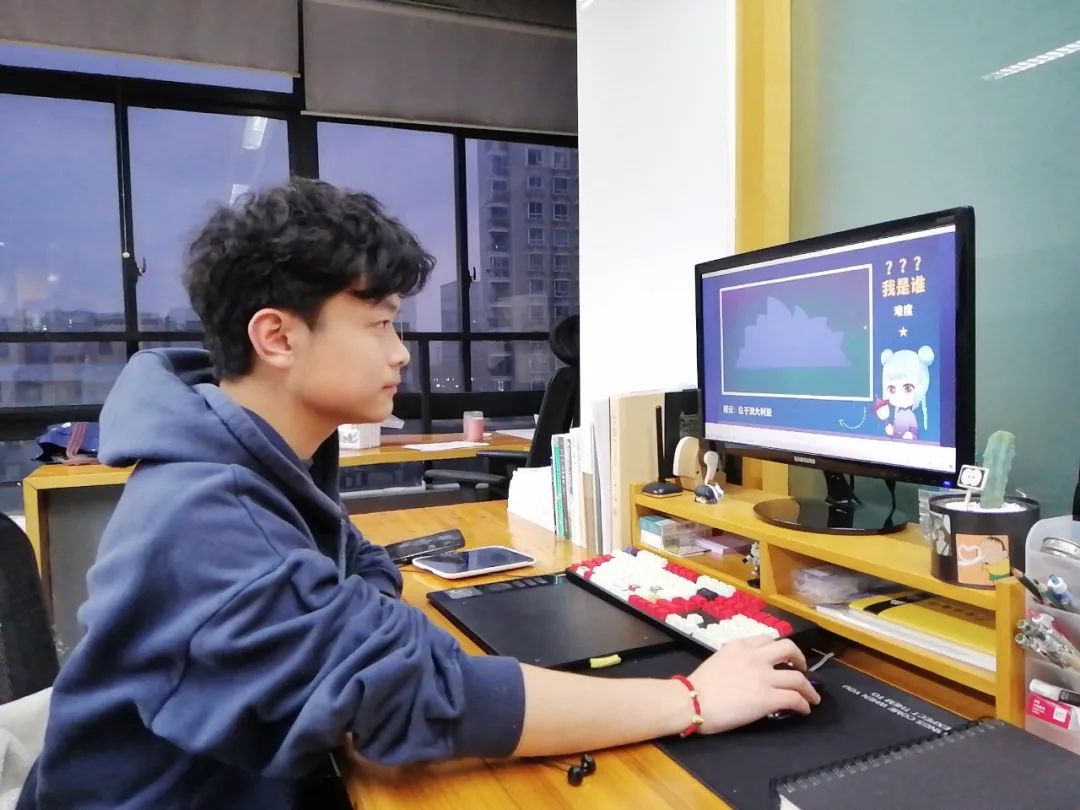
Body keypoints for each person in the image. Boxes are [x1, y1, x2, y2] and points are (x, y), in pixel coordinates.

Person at [20, 180, 819, 810]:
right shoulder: (207, 510)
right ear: (278, 337)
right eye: (378, 324)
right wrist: (691, 698)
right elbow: (420, 699)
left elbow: (363, 571)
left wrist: (354, 637)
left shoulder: (258, 454)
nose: (401, 353)